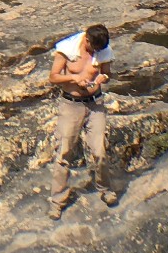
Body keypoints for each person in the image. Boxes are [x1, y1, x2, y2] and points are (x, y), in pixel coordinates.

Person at [47, 23, 117, 218]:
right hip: (71, 105)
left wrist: (102, 77)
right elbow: (53, 77)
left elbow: (107, 73)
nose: (95, 52)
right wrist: (74, 79)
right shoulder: (66, 49)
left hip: (95, 103)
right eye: (92, 48)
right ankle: (57, 200)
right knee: (64, 152)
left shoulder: (103, 49)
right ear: (86, 39)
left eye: (98, 50)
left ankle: (105, 189)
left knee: (99, 150)